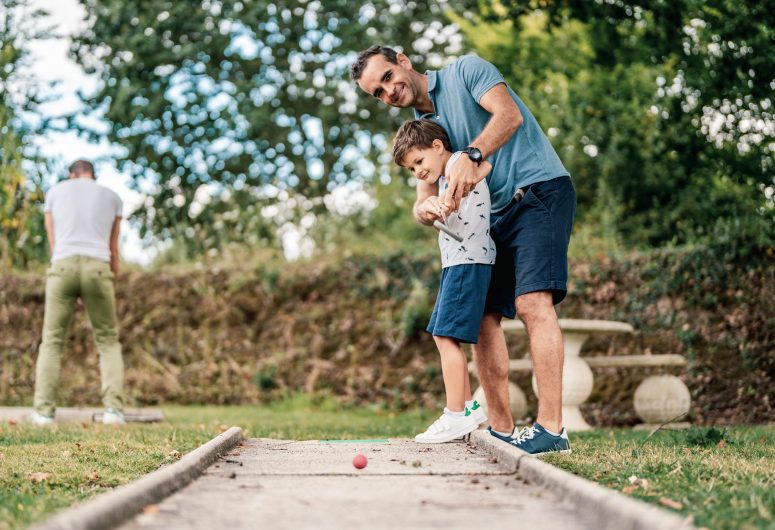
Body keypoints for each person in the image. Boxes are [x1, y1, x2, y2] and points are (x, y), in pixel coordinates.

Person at [351, 46, 576, 454]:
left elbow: (509, 115)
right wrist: (426, 210)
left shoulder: (466, 71)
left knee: (531, 304)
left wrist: (472, 155)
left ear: (402, 60)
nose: (388, 92)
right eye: (378, 94)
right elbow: (422, 197)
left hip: (538, 192)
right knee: (483, 319)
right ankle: (502, 430)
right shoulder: (421, 130)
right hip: (494, 219)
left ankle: (552, 429)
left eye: (386, 78)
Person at [393, 119, 494, 443]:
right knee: (443, 334)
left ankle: (455, 414)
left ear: (438, 147)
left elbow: (485, 166)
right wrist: (432, 205)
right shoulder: (447, 174)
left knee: (444, 336)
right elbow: (432, 203)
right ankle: (467, 408)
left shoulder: (457, 167)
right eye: (411, 170)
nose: (418, 172)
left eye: (419, 162)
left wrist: (448, 197)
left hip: (467, 260)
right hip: (459, 261)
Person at [30, 160, 126, 426]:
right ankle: (114, 412)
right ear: (92, 175)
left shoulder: (55, 192)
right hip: (98, 267)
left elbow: (53, 242)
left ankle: (43, 413)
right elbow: (113, 247)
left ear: (71, 175)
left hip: (63, 265)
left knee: (51, 341)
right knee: (108, 340)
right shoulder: (113, 197)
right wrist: (108, 281)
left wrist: (66, 274)